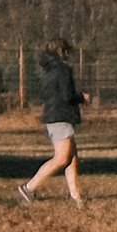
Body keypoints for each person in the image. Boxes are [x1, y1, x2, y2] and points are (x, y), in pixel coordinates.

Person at [21, 38, 86, 206]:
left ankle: (75, 195)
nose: (68, 55)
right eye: (67, 51)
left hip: (53, 115)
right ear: (61, 52)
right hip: (61, 117)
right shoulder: (63, 70)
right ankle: (28, 188)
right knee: (62, 158)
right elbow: (67, 96)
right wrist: (82, 97)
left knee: (71, 157)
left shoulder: (48, 70)